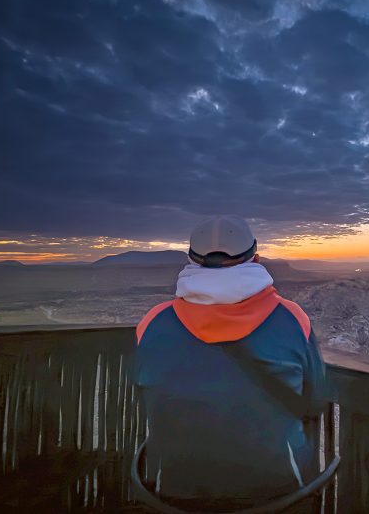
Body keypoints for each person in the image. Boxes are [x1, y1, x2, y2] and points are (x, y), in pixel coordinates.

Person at [134, 215, 327, 510]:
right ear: (256, 258)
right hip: (276, 491)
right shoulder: (292, 319)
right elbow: (314, 400)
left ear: (191, 262)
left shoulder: (152, 323)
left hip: (174, 491)